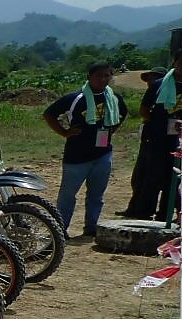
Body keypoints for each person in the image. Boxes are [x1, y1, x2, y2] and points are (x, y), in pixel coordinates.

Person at [43, 62, 128, 236]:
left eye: (107, 75)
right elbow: (49, 114)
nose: (103, 79)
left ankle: (91, 227)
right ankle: (60, 229)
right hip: (77, 155)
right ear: (89, 77)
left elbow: (123, 113)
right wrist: (64, 132)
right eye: (99, 75)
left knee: (96, 195)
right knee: (68, 195)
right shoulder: (76, 98)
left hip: (103, 154)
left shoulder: (114, 98)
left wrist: (113, 129)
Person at [123, 47, 182, 221]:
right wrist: (159, 123)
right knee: (151, 178)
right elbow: (144, 110)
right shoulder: (158, 85)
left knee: (176, 180)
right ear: (174, 62)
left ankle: (166, 215)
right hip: (157, 140)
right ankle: (143, 215)